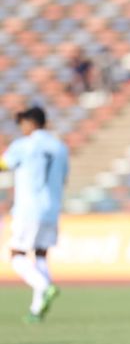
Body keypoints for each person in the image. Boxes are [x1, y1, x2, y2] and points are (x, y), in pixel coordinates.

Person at [0, 106, 68, 323]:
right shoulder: (59, 147)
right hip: (52, 208)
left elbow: (4, 164)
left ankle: (44, 286)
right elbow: (64, 177)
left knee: (17, 254)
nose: (22, 127)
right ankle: (37, 309)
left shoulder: (23, 145)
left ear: (30, 123)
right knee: (40, 254)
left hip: (28, 208)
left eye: (23, 123)